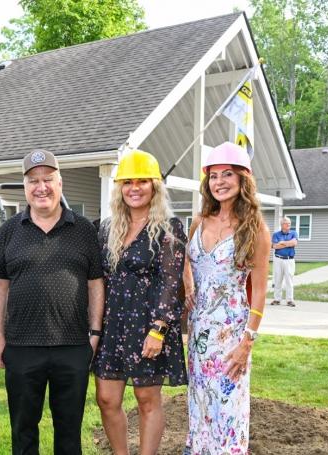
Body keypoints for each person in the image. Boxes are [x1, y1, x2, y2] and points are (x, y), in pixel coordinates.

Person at [0, 149, 105, 455]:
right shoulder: (8, 232)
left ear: (60, 183)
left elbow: (95, 284)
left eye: (48, 179)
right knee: (23, 431)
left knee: (69, 433)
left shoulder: (83, 230)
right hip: (22, 347)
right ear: (25, 187)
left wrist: (94, 334)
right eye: (33, 181)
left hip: (72, 346)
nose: (41, 187)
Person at [92, 150, 187, 455]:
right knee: (106, 399)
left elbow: (170, 282)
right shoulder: (106, 229)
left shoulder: (168, 229)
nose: (134, 188)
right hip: (112, 324)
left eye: (142, 182)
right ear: (119, 187)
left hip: (149, 325)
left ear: (154, 186)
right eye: (128, 182)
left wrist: (159, 329)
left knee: (147, 400)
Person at [183, 142, 270, 455]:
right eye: (214, 175)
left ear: (243, 179)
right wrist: (187, 285)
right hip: (197, 335)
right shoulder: (198, 222)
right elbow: (187, 264)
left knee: (227, 409)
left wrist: (247, 343)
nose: (219, 182)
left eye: (227, 174)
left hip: (230, 334)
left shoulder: (255, 228)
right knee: (200, 405)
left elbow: (260, 290)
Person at [269, 216, 297, 307]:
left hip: (289, 259)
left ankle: (289, 300)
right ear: (282, 225)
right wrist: (288, 243)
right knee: (278, 279)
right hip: (278, 259)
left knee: (289, 280)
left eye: (289, 223)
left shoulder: (293, 233)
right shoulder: (276, 234)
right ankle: (277, 299)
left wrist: (282, 243)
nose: (289, 224)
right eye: (286, 223)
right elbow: (274, 246)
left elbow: (294, 243)